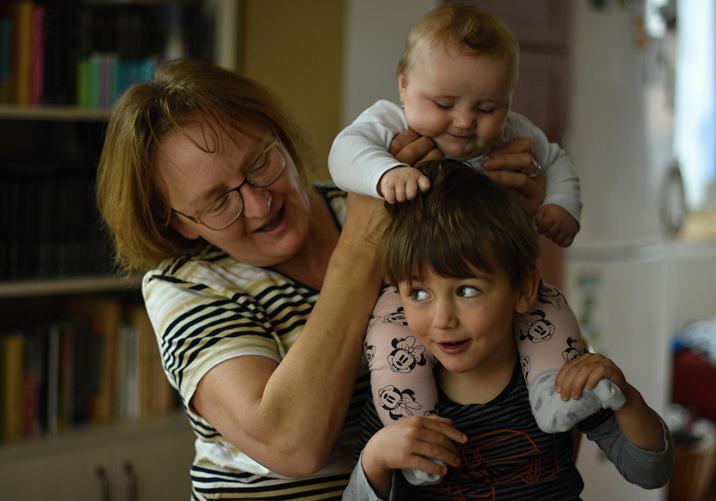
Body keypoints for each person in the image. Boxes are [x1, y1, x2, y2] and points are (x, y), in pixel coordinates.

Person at [329, 3, 625, 485]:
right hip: (413, 287)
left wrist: (561, 206)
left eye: (487, 108)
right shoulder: (389, 121)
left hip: (489, 281)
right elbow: (344, 152)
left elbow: (556, 159)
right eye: (444, 105)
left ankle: (554, 394)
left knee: (548, 309)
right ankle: (414, 430)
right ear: (404, 87)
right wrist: (385, 173)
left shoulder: (514, 132)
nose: (465, 122)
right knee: (388, 335)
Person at [95, 59, 392, 500]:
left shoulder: (370, 204)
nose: (258, 204)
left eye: (259, 164)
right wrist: (360, 251)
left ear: (279, 134)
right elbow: (291, 443)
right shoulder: (186, 286)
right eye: (218, 202)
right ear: (178, 222)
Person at [343, 160, 674, 500]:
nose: (442, 320)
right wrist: (376, 458)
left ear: (523, 290)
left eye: (466, 291)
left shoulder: (560, 380)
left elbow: (651, 473)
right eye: (418, 294)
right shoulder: (397, 396)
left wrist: (626, 399)